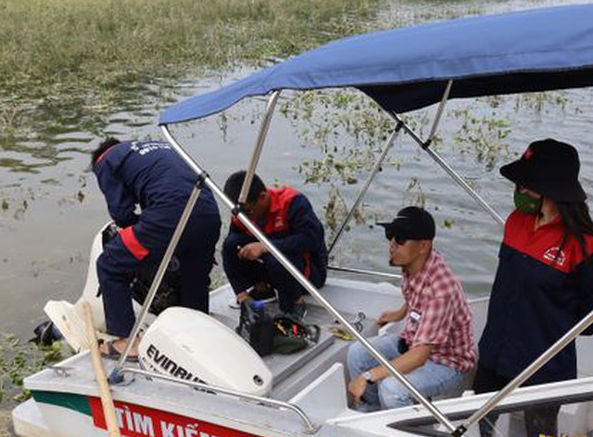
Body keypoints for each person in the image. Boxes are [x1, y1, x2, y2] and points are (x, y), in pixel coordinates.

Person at [474, 139, 593, 437]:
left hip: (543, 363)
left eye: (527, 184)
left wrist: (548, 323)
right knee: (478, 422)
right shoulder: (515, 222)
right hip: (496, 351)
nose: (520, 190)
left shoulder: (586, 247)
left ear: (551, 189)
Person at [91, 138, 221, 358]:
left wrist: (139, 226)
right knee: (193, 275)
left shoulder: (105, 161)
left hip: (168, 215)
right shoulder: (158, 146)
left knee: (110, 264)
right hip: (208, 213)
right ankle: (196, 336)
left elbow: (121, 213)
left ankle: (126, 342)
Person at [346, 206, 476, 411]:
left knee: (392, 388)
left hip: (446, 362)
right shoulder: (414, 263)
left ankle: (404, 432)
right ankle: (370, 412)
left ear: (424, 245)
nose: (391, 245)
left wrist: (368, 377)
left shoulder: (441, 289)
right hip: (414, 340)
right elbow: (416, 295)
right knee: (357, 353)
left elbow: (419, 357)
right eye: (390, 236)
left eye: (400, 240)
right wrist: (400, 313)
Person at [222, 171, 328, 318]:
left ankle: (294, 302)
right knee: (231, 244)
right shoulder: (243, 214)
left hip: (307, 272)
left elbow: (311, 240)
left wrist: (265, 246)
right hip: (274, 270)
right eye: (241, 213)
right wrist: (241, 293)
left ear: (263, 196)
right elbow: (231, 250)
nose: (246, 217)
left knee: (274, 257)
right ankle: (258, 292)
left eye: (249, 211)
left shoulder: (292, 203)